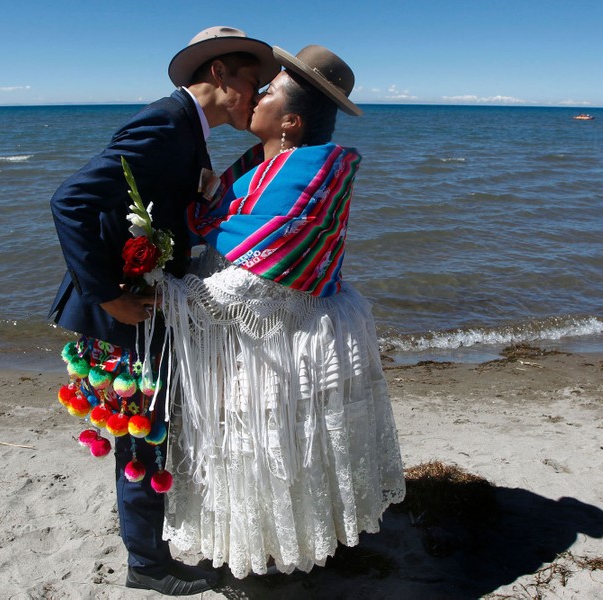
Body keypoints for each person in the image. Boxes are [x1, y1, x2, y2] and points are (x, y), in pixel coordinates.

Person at [48, 27, 280, 595]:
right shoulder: (165, 123)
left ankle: (149, 552)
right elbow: (70, 200)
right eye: (253, 82)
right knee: (139, 438)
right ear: (221, 74)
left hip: (146, 309)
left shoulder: (189, 130)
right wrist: (108, 295)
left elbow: (147, 204)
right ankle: (147, 565)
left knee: (149, 436)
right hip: (124, 317)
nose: (258, 94)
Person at [160, 45, 407, 579]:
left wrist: (161, 293)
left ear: (290, 121)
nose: (256, 95)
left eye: (268, 93)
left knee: (272, 440)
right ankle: (275, 541)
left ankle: (281, 550)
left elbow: (262, 272)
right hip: (266, 330)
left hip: (286, 334)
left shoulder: (310, 174)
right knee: (269, 442)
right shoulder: (257, 166)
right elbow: (225, 229)